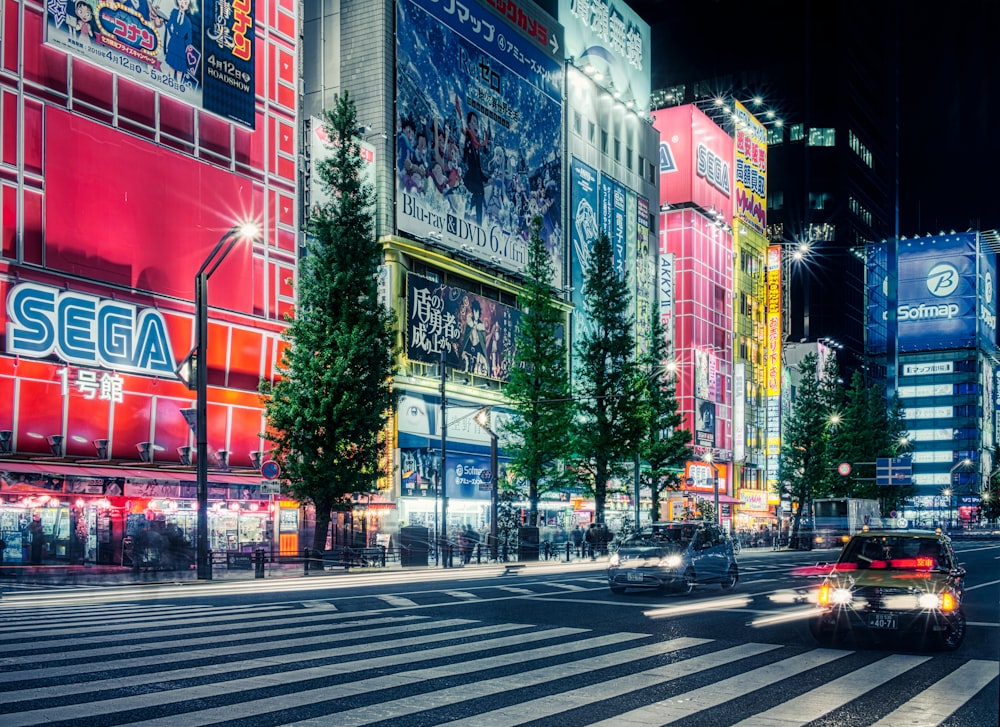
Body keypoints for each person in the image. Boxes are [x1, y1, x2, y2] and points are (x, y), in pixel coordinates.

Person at [164, 0, 196, 83]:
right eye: (182, 1)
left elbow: (189, 37)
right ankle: (170, 80)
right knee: (172, 63)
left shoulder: (188, 21)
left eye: (186, 3)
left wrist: (186, 45)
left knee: (180, 67)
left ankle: (178, 83)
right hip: (174, 40)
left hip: (181, 44)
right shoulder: (174, 12)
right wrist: (172, 34)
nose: (183, 4)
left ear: (188, 7)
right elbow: (168, 24)